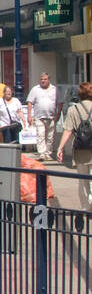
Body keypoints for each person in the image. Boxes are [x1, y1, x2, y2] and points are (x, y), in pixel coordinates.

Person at [55, 81, 92, 212]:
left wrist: (60, 148)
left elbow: (68, 130)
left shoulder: (73, 109)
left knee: (83, 179)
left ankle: (86, 207)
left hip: (81, 149)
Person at [26, 73, 61, 160]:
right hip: (39, 117)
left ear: (49, 80)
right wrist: (29, 115)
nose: (43, 81)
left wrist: (58, 114)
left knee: (50, 136)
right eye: (41, 79)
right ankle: (42, 153)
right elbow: (30, 102)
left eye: (45, 79)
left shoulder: (54, 89)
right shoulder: (35, 89)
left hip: (51, 117)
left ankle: (48, 153)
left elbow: (60, 103)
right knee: (40, 135)